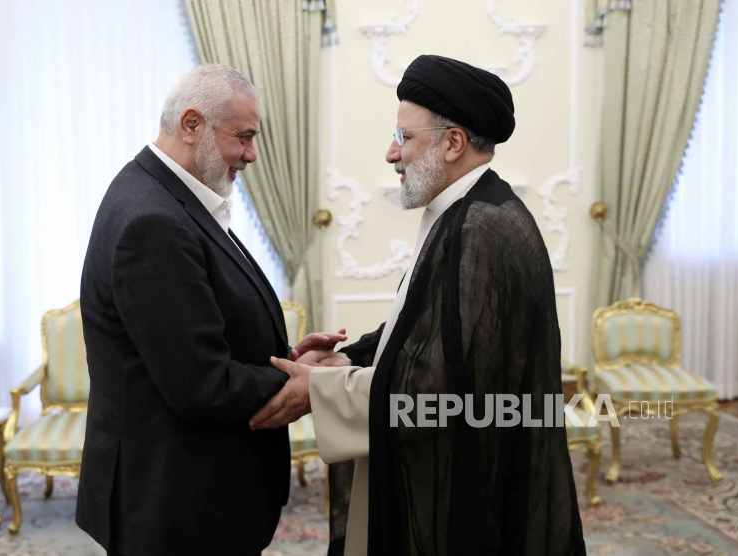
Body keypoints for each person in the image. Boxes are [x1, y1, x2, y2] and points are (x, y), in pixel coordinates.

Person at [250, 55, 586, 555]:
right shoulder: (466, 211)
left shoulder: (481, 226)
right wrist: (349, 357)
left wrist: (321, 389)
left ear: (453, 143)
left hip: (469, 494)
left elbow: (436, 386)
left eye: (405, 137)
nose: (392, 153)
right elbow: (428, 325)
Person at [77, 64, 345, 556]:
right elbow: (200, 384)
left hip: (191, 493)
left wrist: (280, 354)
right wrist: (297, 379)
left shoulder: (171, 196)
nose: (252, 153)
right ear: (192, 124)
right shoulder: (154, 221)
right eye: (243, 137)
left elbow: (195, 327)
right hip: (176, 505)